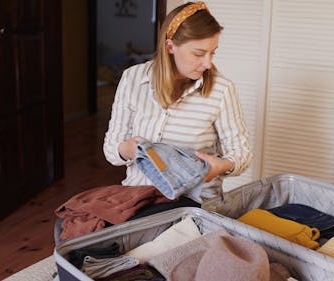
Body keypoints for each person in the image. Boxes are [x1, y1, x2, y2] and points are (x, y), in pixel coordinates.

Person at [103, 1, 253, 204]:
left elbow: (242, 152)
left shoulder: (221, 90)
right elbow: (111, 148)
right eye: (199, 54)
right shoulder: (133, 79)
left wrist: (222, 166)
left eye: (213, 52)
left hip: (193, 206)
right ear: (170, 46)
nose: (208, 63)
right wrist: (128, 149)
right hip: (136, 200)